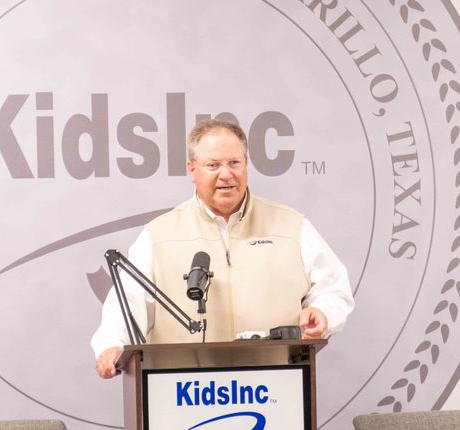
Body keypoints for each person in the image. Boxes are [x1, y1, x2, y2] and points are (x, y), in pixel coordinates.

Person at [91, 119, 354, 378]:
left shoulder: (292, 226)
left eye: (234, 163)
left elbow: (334, 289)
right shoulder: (158, 235)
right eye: (213, 165)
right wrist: (111, 344)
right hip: (184, 393)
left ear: (247, 164)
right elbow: (126, 302)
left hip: (276, 389)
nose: (226, 174)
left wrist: (323, 313)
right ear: (192, 170)